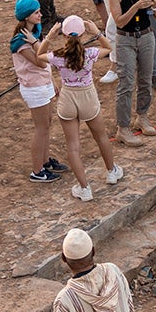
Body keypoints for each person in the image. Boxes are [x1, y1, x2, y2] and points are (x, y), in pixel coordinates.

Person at [46, 14, 122, 201]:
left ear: (63, 35)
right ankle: (111, 171)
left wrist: (49, 37)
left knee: (73, 147)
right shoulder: (89, 53)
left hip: (68, 98)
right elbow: (108, 47)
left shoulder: (57, 56)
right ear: (82, 35)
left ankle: (84, 188)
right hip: (87, 96)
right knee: (101, 136)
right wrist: (96, 32)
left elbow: (39, 56)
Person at [49, 228, 138, 312]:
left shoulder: (66, 300)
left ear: (64, 259)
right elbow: (129, 311)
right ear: (94, 251)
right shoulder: (114, 272)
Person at [9, 0, 68, 183]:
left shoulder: (34, 33)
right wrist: (37, 42)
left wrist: (52, 82)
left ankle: (45, 160)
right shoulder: (22, 41)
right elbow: (40, 60)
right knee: (41, 128)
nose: (40, 14)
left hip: (43, 84)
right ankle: (37, 170)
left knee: (47, 125)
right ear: (26, 16)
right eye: (36, 12)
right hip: (34, 88)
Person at [108, 0, 156, 146]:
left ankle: (142, 115)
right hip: (126, 39)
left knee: (146, 79)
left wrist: (154, 4)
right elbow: (120, 21)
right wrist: (136, 6)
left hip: (146, 36)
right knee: (126, 82)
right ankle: (122, 127)